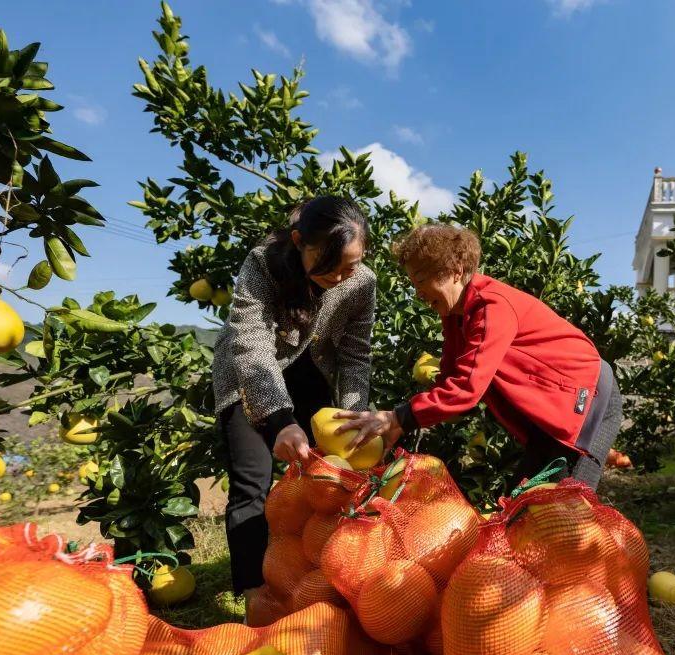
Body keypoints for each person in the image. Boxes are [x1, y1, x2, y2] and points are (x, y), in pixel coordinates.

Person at [337, 223, 622, 490]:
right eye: (413, 284)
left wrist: (397, 417)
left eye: (421, 280)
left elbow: (465, 390)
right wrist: (400, 425)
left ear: (455, 271)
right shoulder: (456, 317)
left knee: (558, 513)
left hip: (585, 401)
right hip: (552, 419)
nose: (418, 293)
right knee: (521, 508)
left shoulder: (491, 305)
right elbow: (450, 381)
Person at [212, 196, 375, 605]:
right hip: (248, 374)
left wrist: (354, 415)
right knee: (253, 483)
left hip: (310, 375)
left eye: (350, 265)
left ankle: (308, 578)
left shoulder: (362, 282)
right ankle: (256, 594)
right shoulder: (263, 263)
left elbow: (355, 355)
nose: (340, 276)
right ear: (300, 241)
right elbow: (249, 342)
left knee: (318, 483)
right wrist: (279, 419)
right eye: (330, 264)